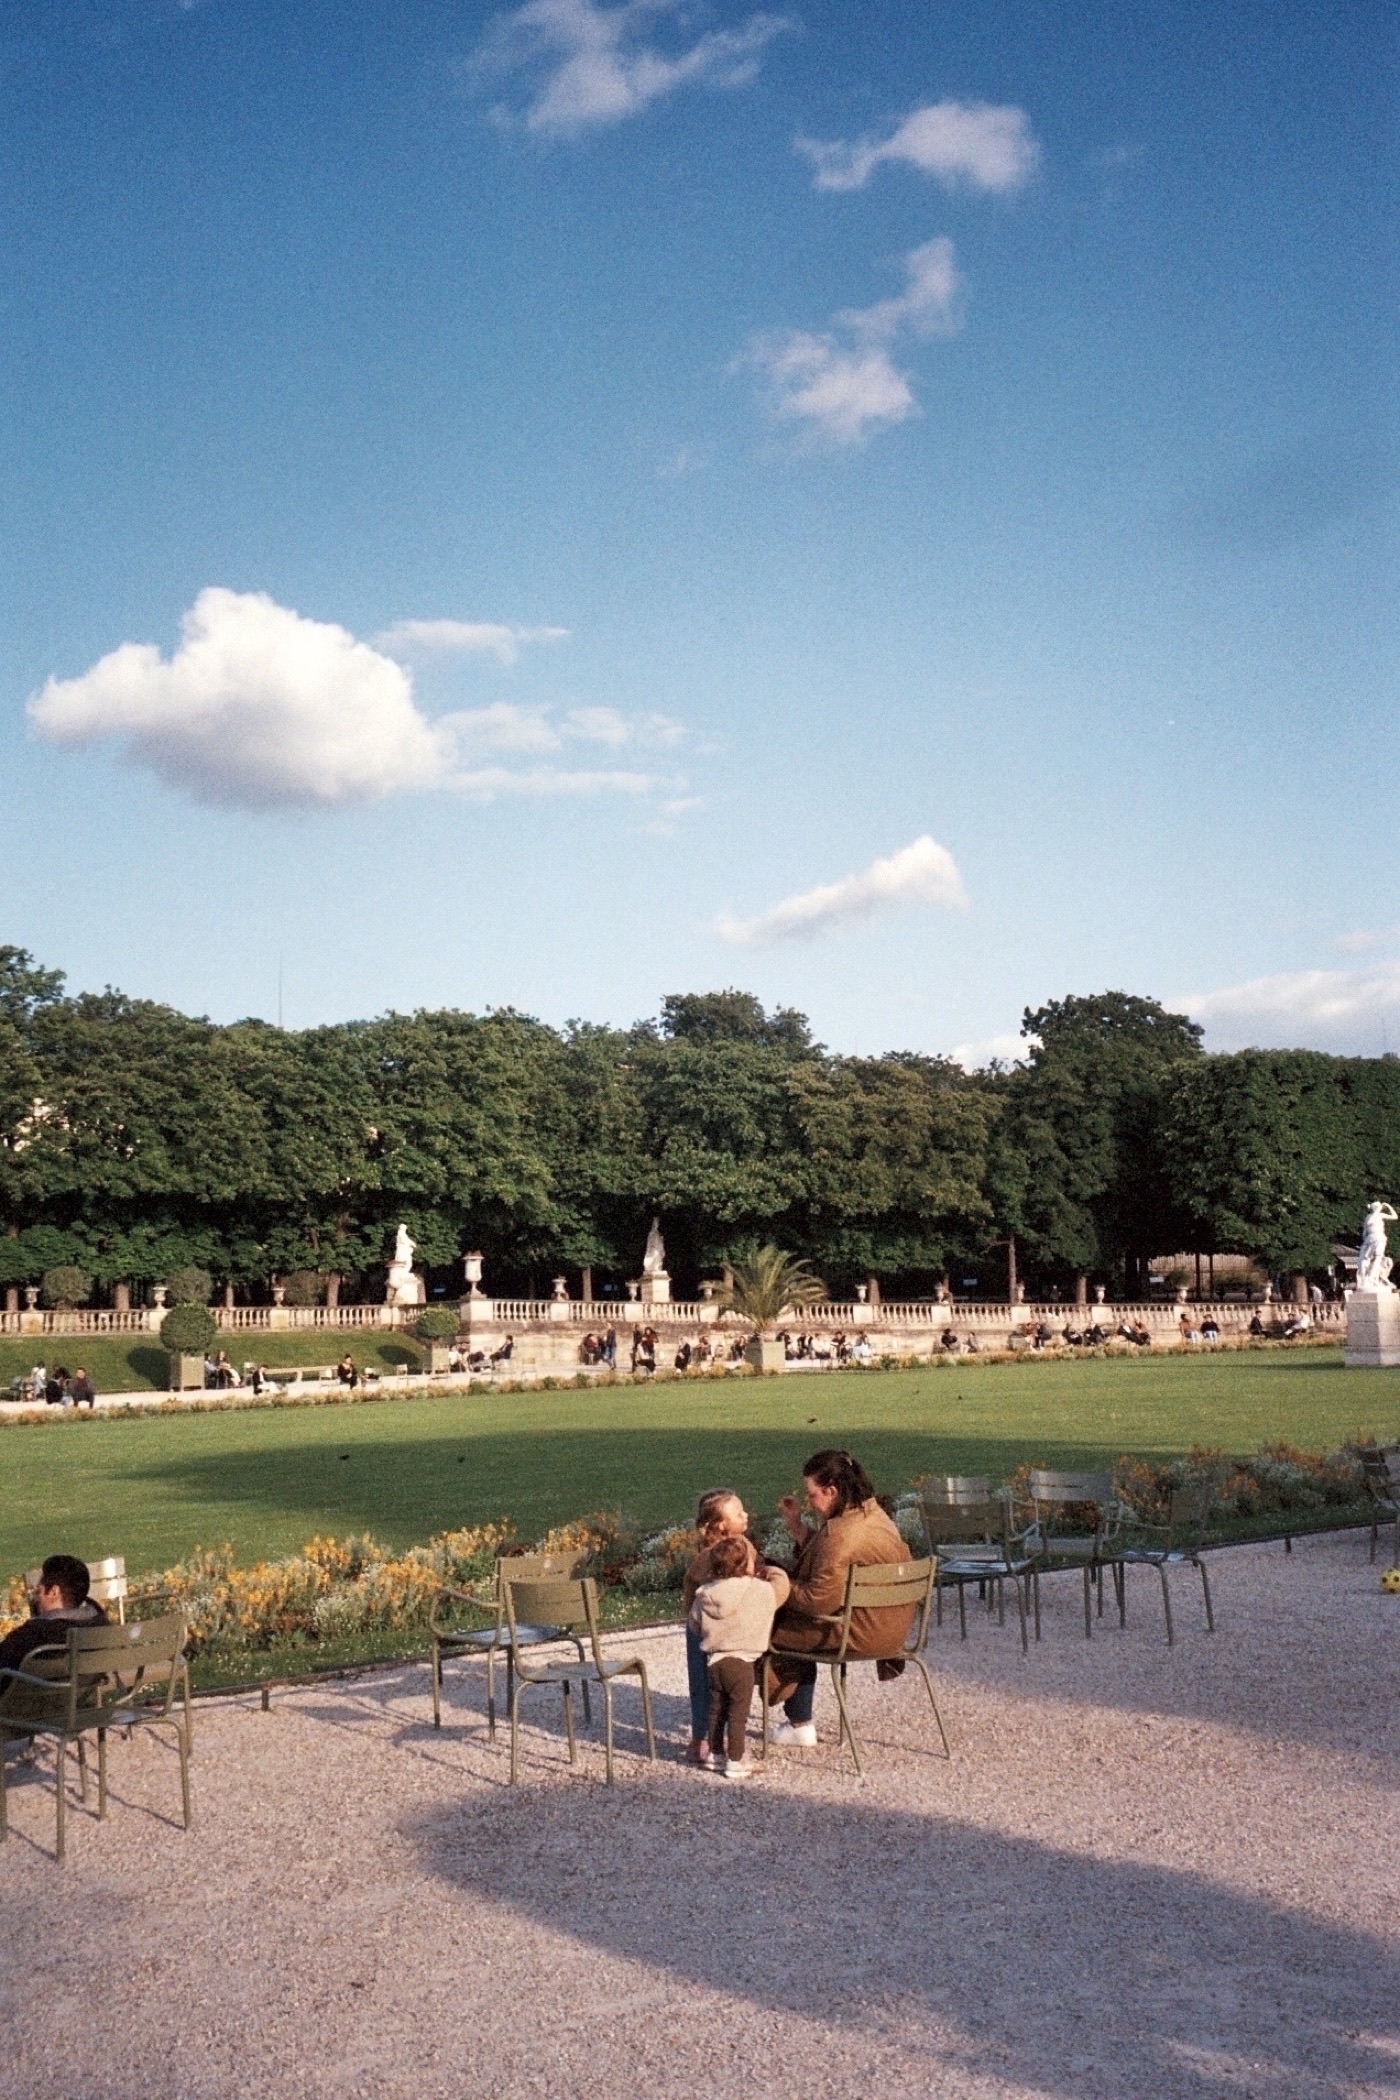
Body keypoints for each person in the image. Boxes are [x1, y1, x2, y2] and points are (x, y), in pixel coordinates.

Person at [764, 1450, 915, 1748]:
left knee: (771, 1626)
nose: (810, 1502)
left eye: (812, 1495)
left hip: (858, 1632)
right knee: (790, 1618)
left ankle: (796, 1724)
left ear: (832, 1491)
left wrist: (775, 1582)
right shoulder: (873, 1516)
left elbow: (816, 1600)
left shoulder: (841, 1534)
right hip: (891, 1629)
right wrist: (796, 1524)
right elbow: (831, 1561)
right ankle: (797, 1721)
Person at [680, 1491, 788, 1766]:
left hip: (715, 1628)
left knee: (712, 1686)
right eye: (738, 1513)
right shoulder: (709, 1558)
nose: (746, 1515)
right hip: (708, 1628)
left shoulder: (741, 1544)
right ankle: (703, 1738)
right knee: (705, 1685)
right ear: (720, 1526)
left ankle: (712, 1739)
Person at [0, 1555, 108, 1681]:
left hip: (27, 1698)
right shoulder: (100, 1628)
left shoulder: (30, 1636)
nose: (36, 1599)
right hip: (78, 1695)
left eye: (38, 1591)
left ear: (53, 1592)